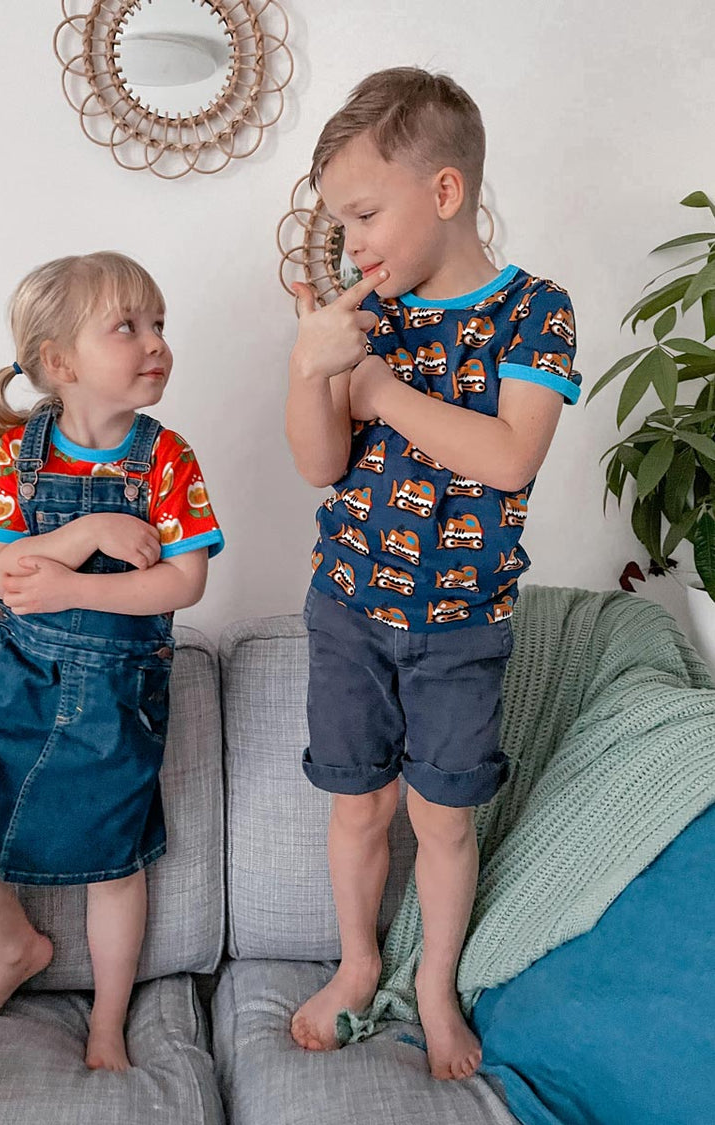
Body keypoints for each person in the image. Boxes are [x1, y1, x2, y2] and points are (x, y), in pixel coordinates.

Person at [285, 68, 580, 1080]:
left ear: (444, 193)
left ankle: (435, 983)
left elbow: (507, 456)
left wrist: (372, 384)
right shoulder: (363, 314)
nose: (352, 243)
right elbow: (321, 463)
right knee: (357, 805)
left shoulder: (537, 311)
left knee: (443, 820)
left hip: (461, 624)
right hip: (349, 611)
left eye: (365, 214)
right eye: (339, 220)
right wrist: (313, 363)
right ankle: (360, 963)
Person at [0, 251, 224, 1071]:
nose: (155, 342)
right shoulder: (20, 454)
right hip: (16, 686)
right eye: (128, 326)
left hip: (119, 694)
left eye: (159, 325)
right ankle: (17, 950)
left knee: (112, 865)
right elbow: (2, 574)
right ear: (60, 362)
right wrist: (90, 536)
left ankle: (109, 1019)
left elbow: (182, 581)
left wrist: (66, 587)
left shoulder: (166, 458)